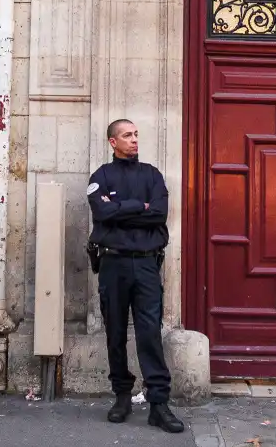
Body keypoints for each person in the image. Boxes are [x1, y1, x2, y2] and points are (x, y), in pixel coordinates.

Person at [86, 119, 184, 433]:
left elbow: (158, 213)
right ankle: (122, 396)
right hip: (113, 265)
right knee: (115, 332)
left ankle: (158, 403)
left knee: (148, 334)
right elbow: (101, 213)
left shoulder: (152, 175)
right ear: (112, 141)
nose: (134, 140)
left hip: (145, 265)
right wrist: (136, 206)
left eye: (136, 135)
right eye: (127, 135)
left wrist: (121, 209)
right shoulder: (101, 176)